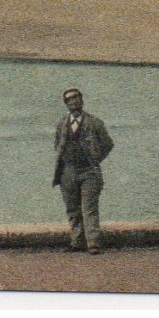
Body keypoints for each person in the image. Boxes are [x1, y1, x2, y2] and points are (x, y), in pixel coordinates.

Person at [52, 87, 114, 254]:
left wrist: (95, 158)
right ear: (66, 104)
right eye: (70, 100)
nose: (74, 102)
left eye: (76, 98)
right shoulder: (61, 123)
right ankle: (77, 242)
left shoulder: (95, 123)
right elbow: (57, 144)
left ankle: (93, 244)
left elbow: (108, 144)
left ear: (82, 101)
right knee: (72, 208)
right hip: (68, 172)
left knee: (89, 208)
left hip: (89, 172)